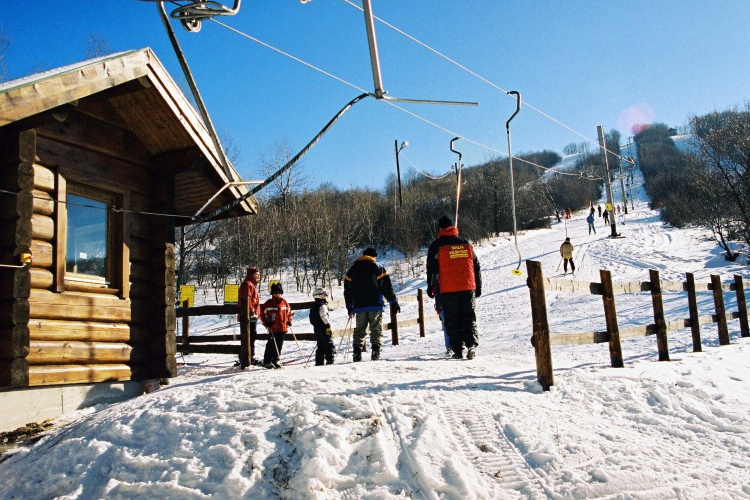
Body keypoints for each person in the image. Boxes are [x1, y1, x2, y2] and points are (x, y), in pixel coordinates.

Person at [426, 215, 482, 360]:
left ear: (440, 228)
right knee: (468, 316)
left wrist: (430, 286)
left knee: (452, 319)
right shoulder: (465, 243)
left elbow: (432, 269)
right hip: (468, 286)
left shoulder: (437, 245)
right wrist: (478, 286)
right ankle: (471, 346)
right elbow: (476, 266)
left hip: (448, 288)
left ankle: (457, 350)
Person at [344, 248, 400, 362]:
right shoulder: (378, 267)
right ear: (374, 256)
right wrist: (393, 301)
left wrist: (350, 306)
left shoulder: (353, 269)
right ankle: (375, 352)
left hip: (359, 305)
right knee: (376, 329)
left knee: (359, 330)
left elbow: (347, 290)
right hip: (375, 304)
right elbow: (386, 287)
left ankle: (357, 353)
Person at [260, 282, 293, 369]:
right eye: (275, 293)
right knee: (271, 345)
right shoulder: (268, 303)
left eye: (279, 293)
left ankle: (276, 360)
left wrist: (289, 321)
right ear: (272, 294)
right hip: (273, 328)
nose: (277, 295)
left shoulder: (284, 302)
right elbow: (262, 314)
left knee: (279, 344)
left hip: (282, 328)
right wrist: (266, 323)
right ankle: (267, 361)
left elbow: (289, 312)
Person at [238, 266, 262, 366]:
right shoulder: (248, 284)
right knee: (249, 336)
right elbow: (246, 300)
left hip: (252, 315)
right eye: (257, 275)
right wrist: (252, 311)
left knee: (251, 336)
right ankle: (247, 357)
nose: (258, 277)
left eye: (259, 275)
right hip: (248, 316)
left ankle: (249, 356)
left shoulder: (251, 284)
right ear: (252, 275)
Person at [310, 287, 335, 366]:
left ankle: (319, 362)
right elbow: (324, 315)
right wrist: (328, 325)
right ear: (320, 296)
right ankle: (330, 360)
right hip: (324, 327)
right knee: (328, 344)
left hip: (317, 328)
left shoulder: (314, 306)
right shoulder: (322, 305)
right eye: (325, 295)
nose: (326, 297)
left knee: (320, 345)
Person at [433, 277, 452, 356]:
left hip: (441, 303)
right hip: (451, 301)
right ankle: (454, 345)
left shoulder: (437, 276)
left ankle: (449, 347)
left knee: (446, 325)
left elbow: (435, 291)